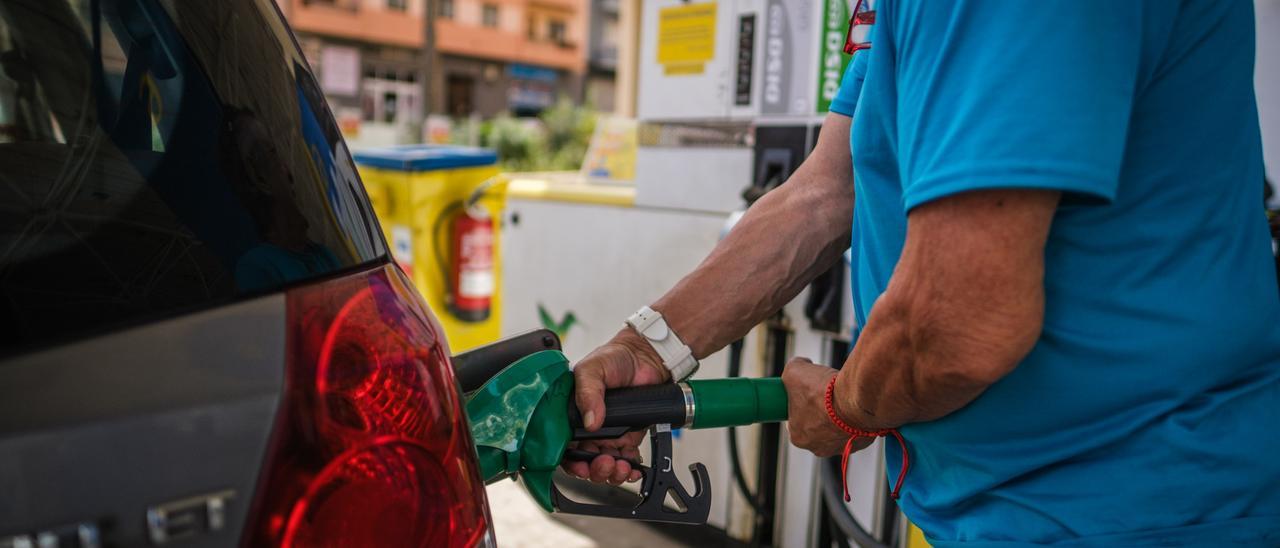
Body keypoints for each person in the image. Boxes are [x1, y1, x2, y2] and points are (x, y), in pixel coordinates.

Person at [563, 1, 1280, 545]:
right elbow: (826, 189)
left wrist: (845, 406)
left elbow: (960, 328)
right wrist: (647, 351)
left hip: (1130, 509)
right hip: (1002, 507)